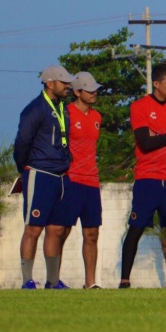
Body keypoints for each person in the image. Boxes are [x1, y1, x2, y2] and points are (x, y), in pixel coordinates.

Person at [120, 63, 166, 288]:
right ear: (157, 84)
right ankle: (124, 281)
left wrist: (163, 135)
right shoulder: (139, 107)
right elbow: (145, 142)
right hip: (147, 178)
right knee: (136, 228)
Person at [14, 65, 75, 289]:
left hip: (61, 175)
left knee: (57, 228)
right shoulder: (35, 109)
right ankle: (27, 280)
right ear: (50, 83)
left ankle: (52, 281)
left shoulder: (63, 108)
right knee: (34, 228)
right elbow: (22, 142)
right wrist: (25, 167)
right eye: (63, 82)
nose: (68, 86)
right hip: (40, 174)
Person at [64, 71, 104, 289]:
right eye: (89, 90)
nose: (94, 93)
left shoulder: (97, 117)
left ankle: (90, 282)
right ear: (77, 92)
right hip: (71, 180)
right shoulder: (67, 114)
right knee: (63, 230)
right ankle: (54, 278)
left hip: (92, 181)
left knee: (92, 233)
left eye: (95, 89)